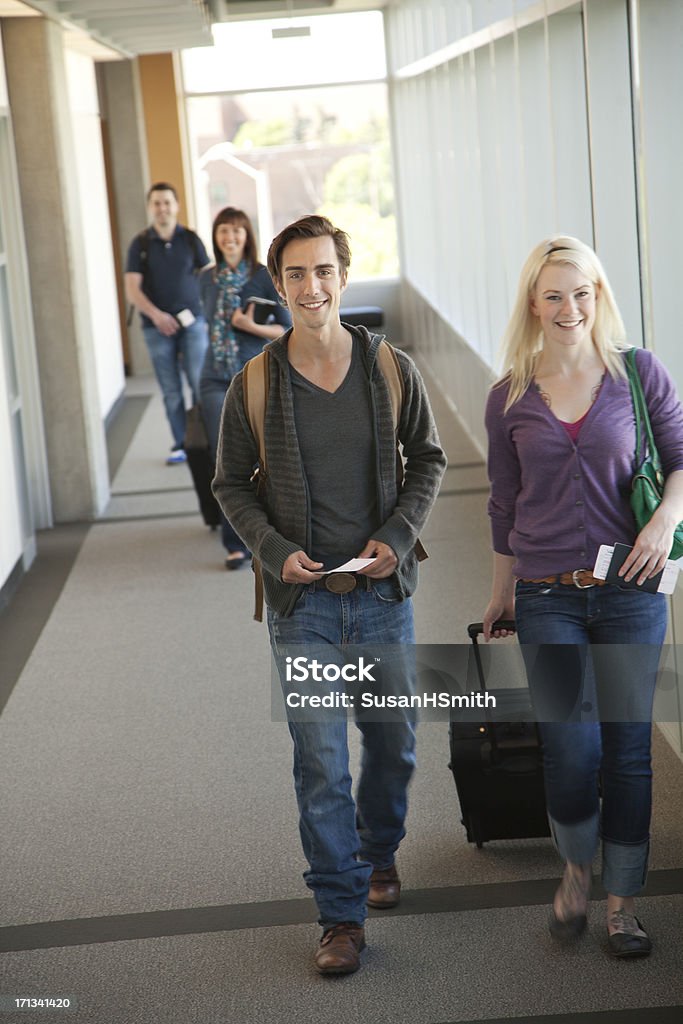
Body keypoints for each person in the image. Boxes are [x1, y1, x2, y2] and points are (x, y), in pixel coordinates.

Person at [213, 215, 446, 974]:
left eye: (322, 272)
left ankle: (378, 852)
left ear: (342, 276)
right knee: (318, 759)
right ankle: (339, 914)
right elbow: (228, 487)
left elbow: (430, 460)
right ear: (275, 285)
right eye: (294, 275)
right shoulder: (254, 381)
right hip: (301, 606)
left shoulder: (389, 368)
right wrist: (274, 554)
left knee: (392, 745)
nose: (310, 288)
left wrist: (400, 533)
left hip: (381, 596)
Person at [482, 235, 683, 958]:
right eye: (554, 295)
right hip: (545, 593)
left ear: (597, 297)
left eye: (582, 292)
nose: (570, 308)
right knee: (570, 748)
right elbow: (503, 506)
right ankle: (573, 870)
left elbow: (681, 454)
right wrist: (499, 595)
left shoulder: (637, 374)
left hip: (630, 590)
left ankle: (621, 903)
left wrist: (664, 519)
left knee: (627, 753)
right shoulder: (508, 394)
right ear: (533, 306)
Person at [198, 207, 291, 569]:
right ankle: (233, 541)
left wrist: (248, 326)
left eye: (236, 231)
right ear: (216, 237)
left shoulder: (263, 277)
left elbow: (285, 330)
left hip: (251, 374)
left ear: (246, 236)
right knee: (222, 460)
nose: (229, 237)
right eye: (223, 231)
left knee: (258, 455)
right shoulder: (205, 278)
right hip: (213, 375)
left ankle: (264, 533)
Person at [125, 182, 210, 464]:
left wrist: (204, 310)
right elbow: (132, 289)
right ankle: (181, 444)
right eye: (156, 203)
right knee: (171, 390)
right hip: (156, 328)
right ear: (150, 208)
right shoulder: (141, 244)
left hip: (193, 323)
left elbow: (208, 276)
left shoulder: (191, 239)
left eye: (167, 202)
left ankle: (207, 440)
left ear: (176, 206)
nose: (162, 208)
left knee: (200, 383)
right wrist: (157, 316)